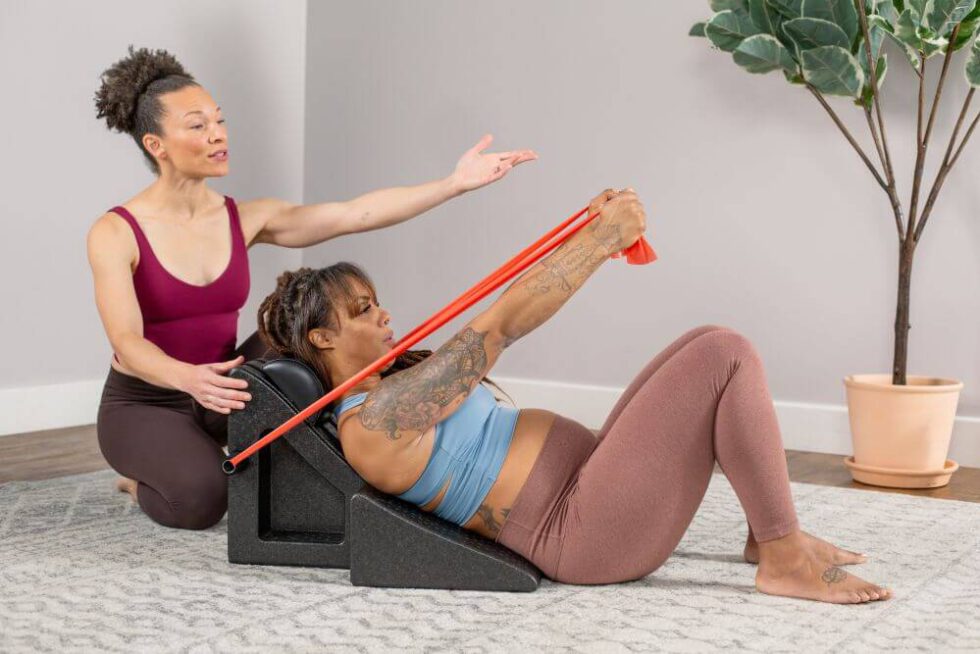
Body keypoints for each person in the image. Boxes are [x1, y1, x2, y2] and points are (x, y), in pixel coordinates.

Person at [255, 188, 892, 604]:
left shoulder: (394, 389)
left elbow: (501, 320)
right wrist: (599, 242)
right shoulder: (372, 423)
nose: (384, 315)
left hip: (589, 486)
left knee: (705, 341)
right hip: (585, 531)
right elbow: (499, 327)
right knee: (725, 353)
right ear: (322, 338)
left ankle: (767, 530)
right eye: (363, 311)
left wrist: (587, 234)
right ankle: (783, 556)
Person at [87, 45, 537, 530]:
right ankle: (140, 480)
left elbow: (352, 214)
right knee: (203, 499)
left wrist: (453, 184)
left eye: (219, 121)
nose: (217, 134)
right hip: (147, 403)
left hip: (225, 389)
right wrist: (190, 379)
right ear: (156, 145)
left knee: (314, 334)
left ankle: (349, 451)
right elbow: (127, 343)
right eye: (198, 126)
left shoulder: (245, 218)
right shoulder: (116, 232)